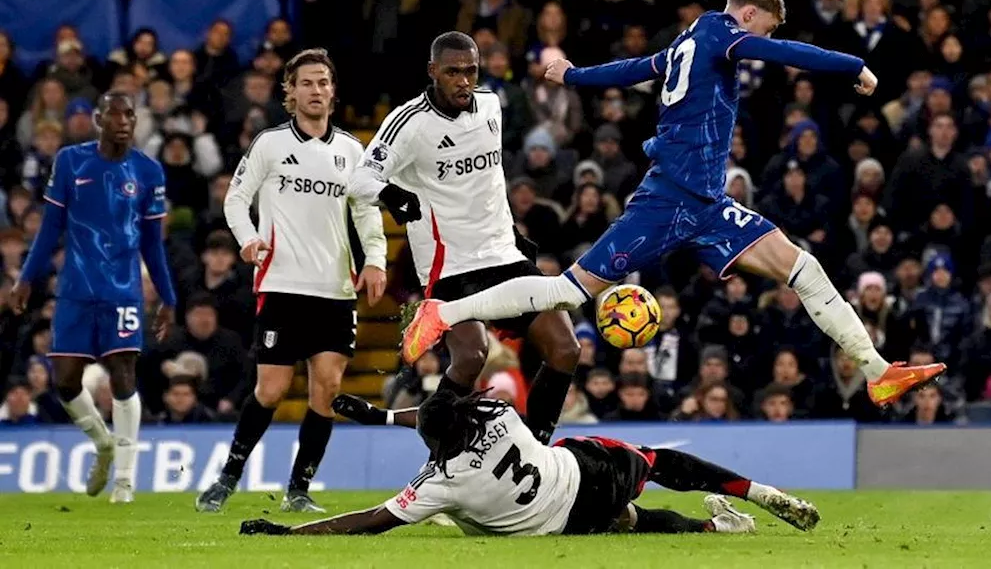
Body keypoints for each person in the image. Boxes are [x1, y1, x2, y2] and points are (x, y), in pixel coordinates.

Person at [403, 0, 945, 407]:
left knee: (802, 267)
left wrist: (574, 76)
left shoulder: (690, 40)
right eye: (766, 30)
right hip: (670, 198)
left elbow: (638, 68)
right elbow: (785, 57)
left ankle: (878, 373)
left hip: (708, 203)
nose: (766, 41)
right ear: (749, 16)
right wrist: (855, 67)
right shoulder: (720, 34)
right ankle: (442, 315)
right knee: (569, 292)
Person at [346, 32, 579, 445]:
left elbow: (490, 180)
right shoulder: (408, 123)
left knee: (566, 349)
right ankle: (438, 458)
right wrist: (391, 193)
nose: (463, 80)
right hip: (450, 263)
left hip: (503, 255)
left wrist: (511, 235)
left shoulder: (491, 105)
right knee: (472, 355)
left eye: (470, 70)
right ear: (433, 71)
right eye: (452, 72)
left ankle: (537, 449)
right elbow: (360, 177)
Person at [196, 49, 387, 514]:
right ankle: (228, 476)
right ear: (290, 92)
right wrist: (246, 239)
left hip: (335, 291)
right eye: (307, 83)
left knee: (326, 389)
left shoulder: (350, 151)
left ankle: (299, 490)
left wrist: (376, 259)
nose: (316, 90)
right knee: (272, 390)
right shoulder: (269, 145)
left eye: (323, 82)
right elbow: (237, 199)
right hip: (282, 285)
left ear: (333, 91)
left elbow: (365, 211)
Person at [242, 391, 818, 538]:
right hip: (586, 473)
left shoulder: (442, 482)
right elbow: (438, 412)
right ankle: (756, 495)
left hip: (567, 521)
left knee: (630, 523)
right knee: (658, 460)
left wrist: (288, 530)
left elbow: (367, 520)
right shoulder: (495, 410)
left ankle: (715, 528)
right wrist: (382, 416)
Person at [11, 91, 178, 503]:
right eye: (115, 114)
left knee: (123, 375)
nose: (123, 121)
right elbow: (50, 228)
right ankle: (102, 443)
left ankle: (124, 480)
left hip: (123, 290)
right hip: (75, 290)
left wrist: (168, 297)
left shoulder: (149, 171)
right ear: (98, 120)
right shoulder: (71, 161)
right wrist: (27, 277)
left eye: (130, 114)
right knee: (65, 381)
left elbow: (154, 244)